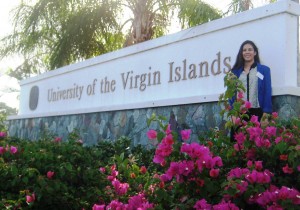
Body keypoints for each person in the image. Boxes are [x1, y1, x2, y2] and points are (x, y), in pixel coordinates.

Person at [230, 40, 272, 126]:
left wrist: (266, 113)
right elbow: (231, 94)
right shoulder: (234, 72)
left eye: (250, 49)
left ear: (255, 52)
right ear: (241, 53)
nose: (247, 52)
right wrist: (233, 114)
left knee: (256, 139)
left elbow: (267, 92)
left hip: (257, 112)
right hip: (239, 113)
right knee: (238, 139)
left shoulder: (264, 70)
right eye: (244, 50)